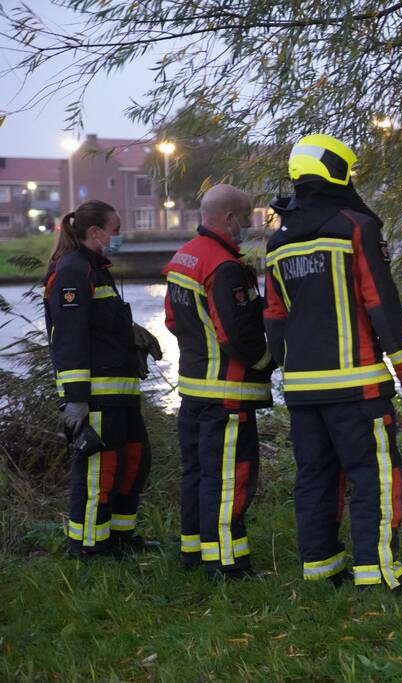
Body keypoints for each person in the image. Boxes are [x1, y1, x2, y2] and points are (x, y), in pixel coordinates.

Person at [264, 133, 402, 591]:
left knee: (315, 477)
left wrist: (279, 370)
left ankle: (321, 568)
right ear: (334, 170)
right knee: (374, 475)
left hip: (303, 389)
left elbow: (273, 316)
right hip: (359, 386)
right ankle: (378, 573)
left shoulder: (278, 241)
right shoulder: (355, 226)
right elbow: (379, 299)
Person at [163, 184, 273, 579]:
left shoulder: (184, 257)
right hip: (227, 393)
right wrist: (267, 362)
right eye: (246, 220)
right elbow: (236, 336)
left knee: (197, 474)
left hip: (193, 389)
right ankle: (228, 565)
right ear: (229, 219)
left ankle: (195, 552)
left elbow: (173, 323)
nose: (247, 227)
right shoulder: (224, 267)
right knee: (230, 479)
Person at [44, 199, 153, 556]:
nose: (118, 236)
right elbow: (69, 337)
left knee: (134, 462)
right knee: (98, 474)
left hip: (121, 393)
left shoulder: (95, 268)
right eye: (115, 230)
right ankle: (89, 547)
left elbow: (101, 327)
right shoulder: (73, 270)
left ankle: (120, 537)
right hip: (97, 396)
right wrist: (76, 399)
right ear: (95, 232)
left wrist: (133, 337)